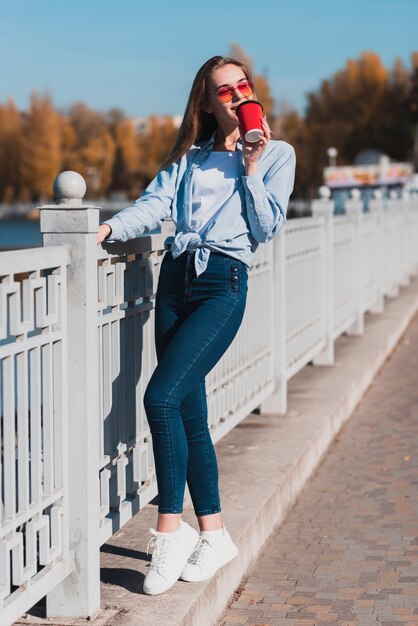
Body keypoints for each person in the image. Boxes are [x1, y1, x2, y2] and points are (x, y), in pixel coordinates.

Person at [96, 55, 296, 595]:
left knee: (159, 398)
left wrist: (251, 167)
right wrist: (105, 230)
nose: (235, 96)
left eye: (243, 86)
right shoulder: (191, 157)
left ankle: (168, 533)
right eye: (223, 91)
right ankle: (214, 532)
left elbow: (267, 226)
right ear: (206, 103)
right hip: (175, 281)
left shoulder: (278, 153)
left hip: (222, 284)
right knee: (187, 409)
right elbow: (153, 206)